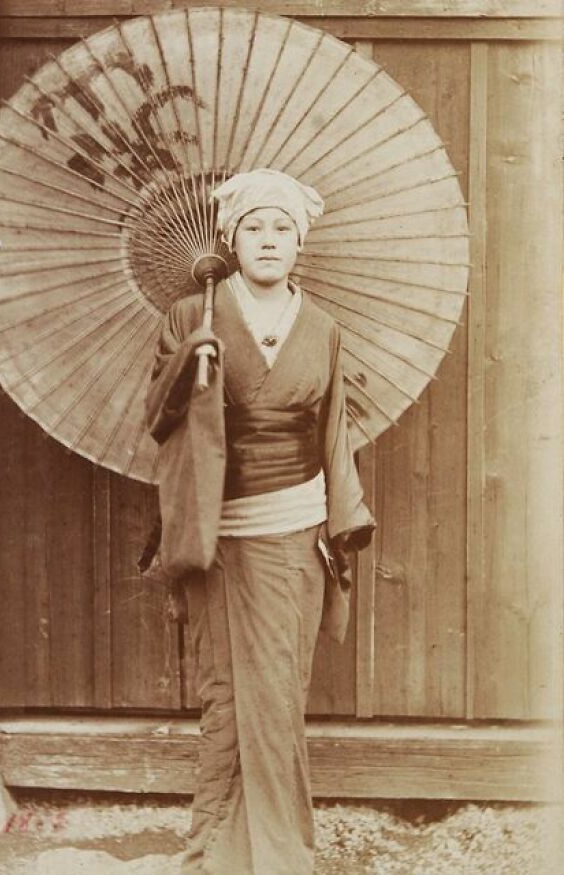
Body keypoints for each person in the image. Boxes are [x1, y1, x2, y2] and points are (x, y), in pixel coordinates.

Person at [143, 169, 375, 875]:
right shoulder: (193, 316)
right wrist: (189, 363)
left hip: (294, 529)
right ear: (230, 239)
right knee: (225, 696)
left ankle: (277, 855)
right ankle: (213, 848)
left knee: (275, 695)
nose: (268, 241)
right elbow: (155, 417)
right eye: (254, 228)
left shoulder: (324, 328)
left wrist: (344, 521)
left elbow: (334, 428)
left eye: (282, 229)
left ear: (299, 242)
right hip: (218, 529)